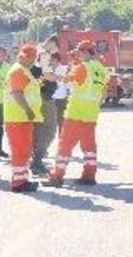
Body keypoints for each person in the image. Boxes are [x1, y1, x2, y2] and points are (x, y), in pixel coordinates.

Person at [45, 40, 108, 187]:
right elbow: (103, 95)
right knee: (89, 148)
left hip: (75, 113)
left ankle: (57, 176)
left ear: (85, 52)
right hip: (91, 115)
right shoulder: (102, 69)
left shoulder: (83, 67)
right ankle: (89, 176)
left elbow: (66, 80)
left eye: (79, 52)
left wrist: (52, 74)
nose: (78, 55)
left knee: (65, 146)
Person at [4, 44, 43, 192]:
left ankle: (22, 180)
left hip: (22, 118)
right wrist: (28, 110)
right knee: (20, 150)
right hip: (18, 117)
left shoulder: (24, 70)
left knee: (24, 150)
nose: (34, 61)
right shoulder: (18, 71)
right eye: (33, 58)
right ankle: (18, 183)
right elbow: (17, 93)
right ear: (26, 57)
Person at [29, 36, 60, 175]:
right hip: (43, 98)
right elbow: (47, 76)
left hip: (36, 97)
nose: (56, 50)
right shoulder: (44, 54)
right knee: (49, 129)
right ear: (52, 43)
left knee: (38, 129)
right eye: (56, 47)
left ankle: (35, 159)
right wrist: (63, 78)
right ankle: (37, 160)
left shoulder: (38, 53)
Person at [51, 51, 69, 132]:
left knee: (61, 120)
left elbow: (68, 84)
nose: (49, 61)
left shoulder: (63, 69)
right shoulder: (48, 71)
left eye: (51, 59)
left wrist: (68, 97)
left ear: (56, 60)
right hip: (51, 99)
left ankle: (61, 138)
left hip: (61, 98)